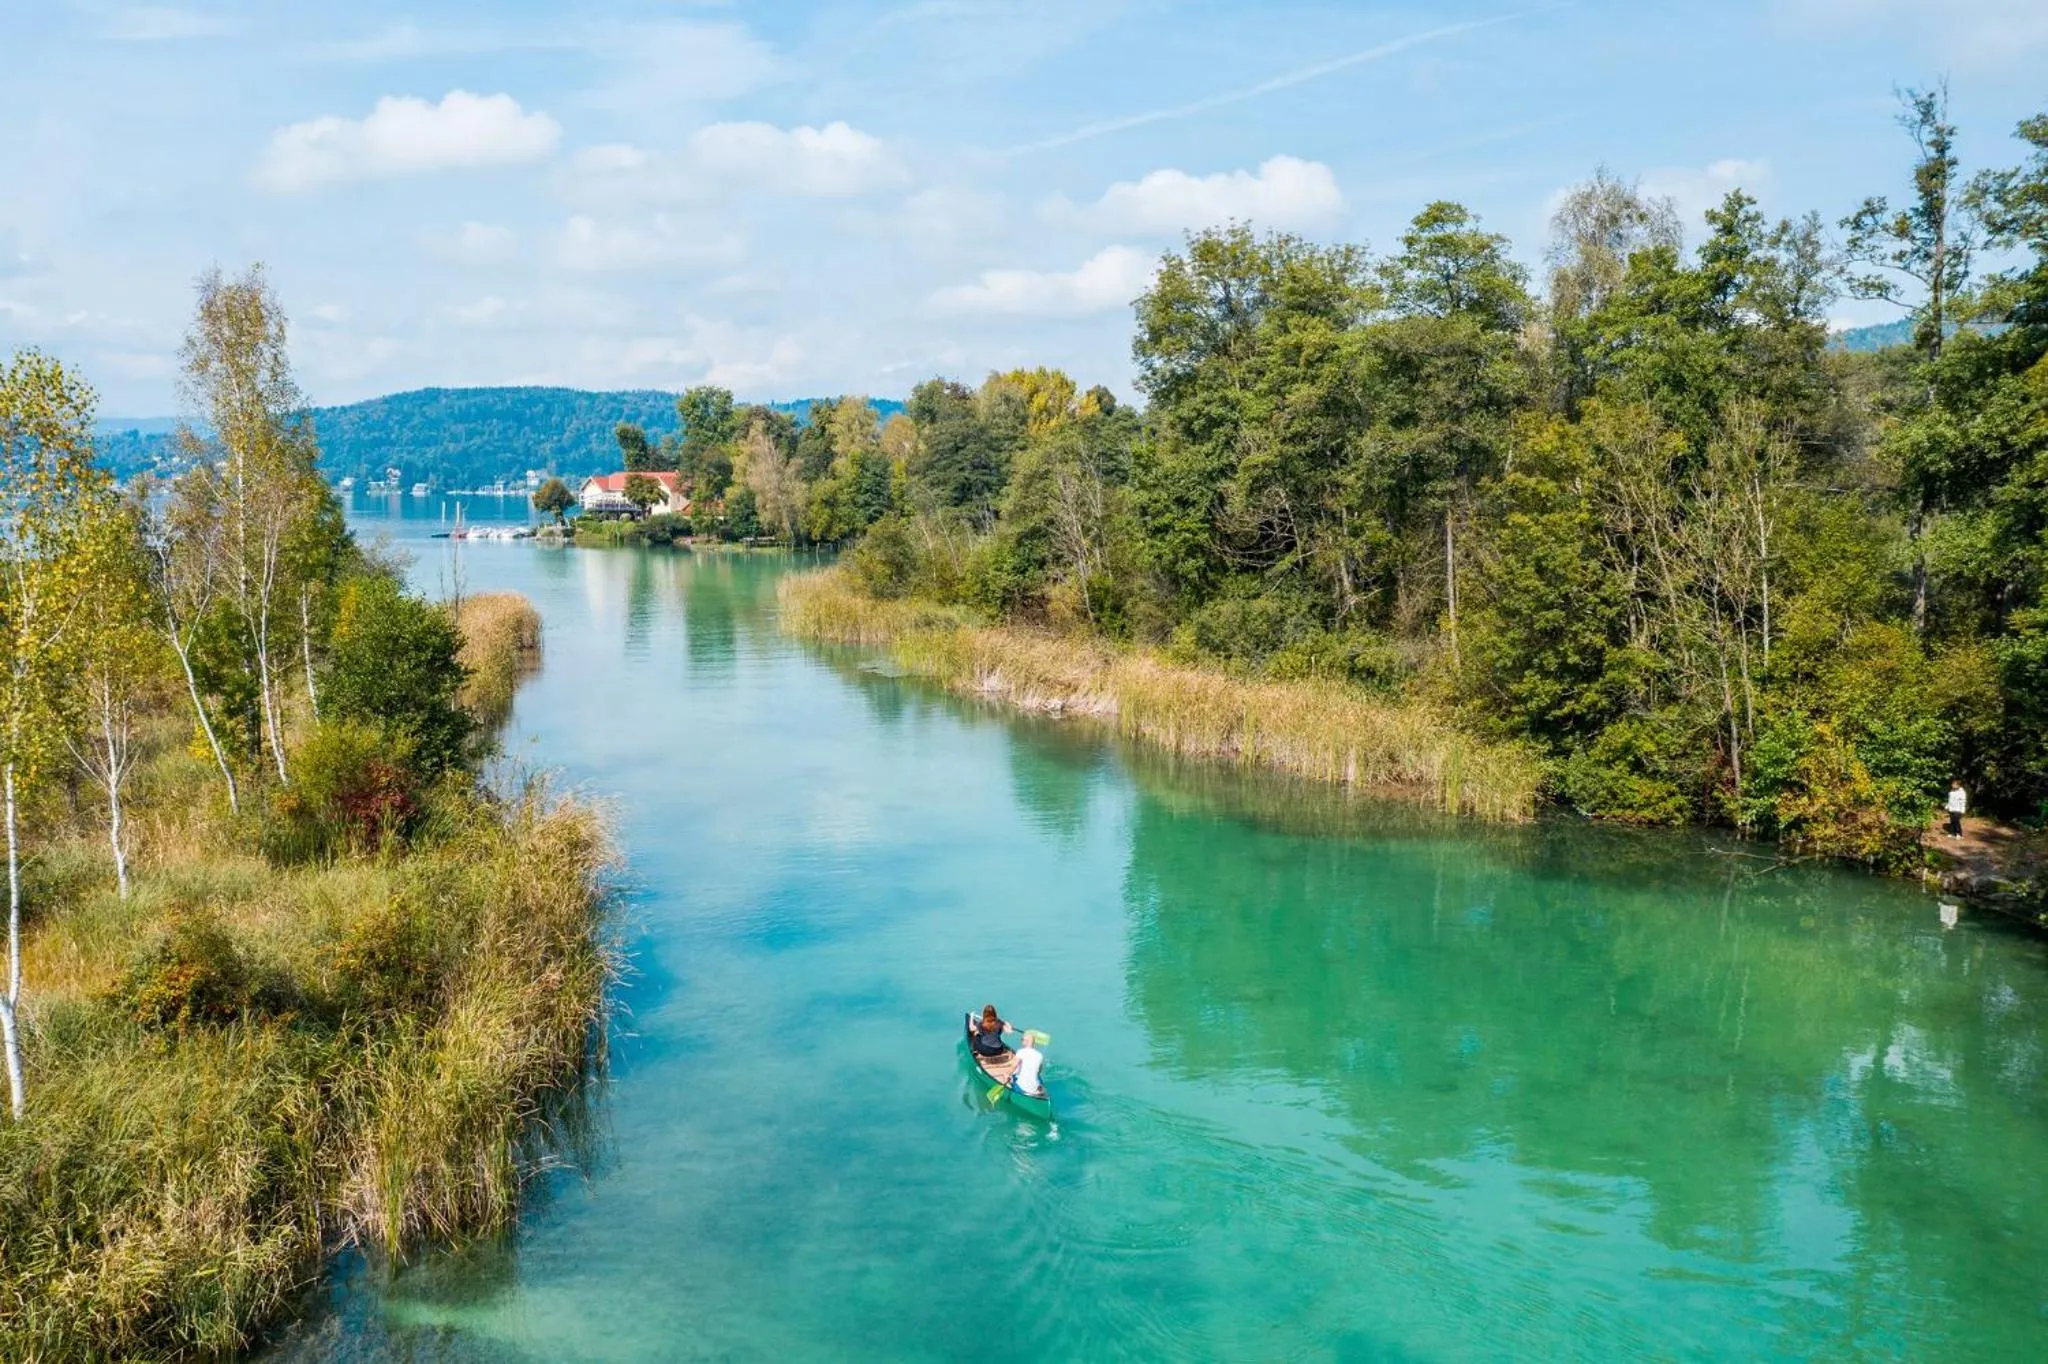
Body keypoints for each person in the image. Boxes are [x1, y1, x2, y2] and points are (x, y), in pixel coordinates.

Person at [1011, 1031, 1047, 1098]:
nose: (1021, 1041)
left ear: (1026, 1041)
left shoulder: (1021, 1052)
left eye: (1022, 1039)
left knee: (1012, 1077)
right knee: (1037, 1078)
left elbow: (1014, 1066)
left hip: (1023, 1087)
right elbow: (1039, 1071)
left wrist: (1006, 1074)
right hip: (1035, 1087)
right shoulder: (1040, 1055)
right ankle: (1040, 1094)